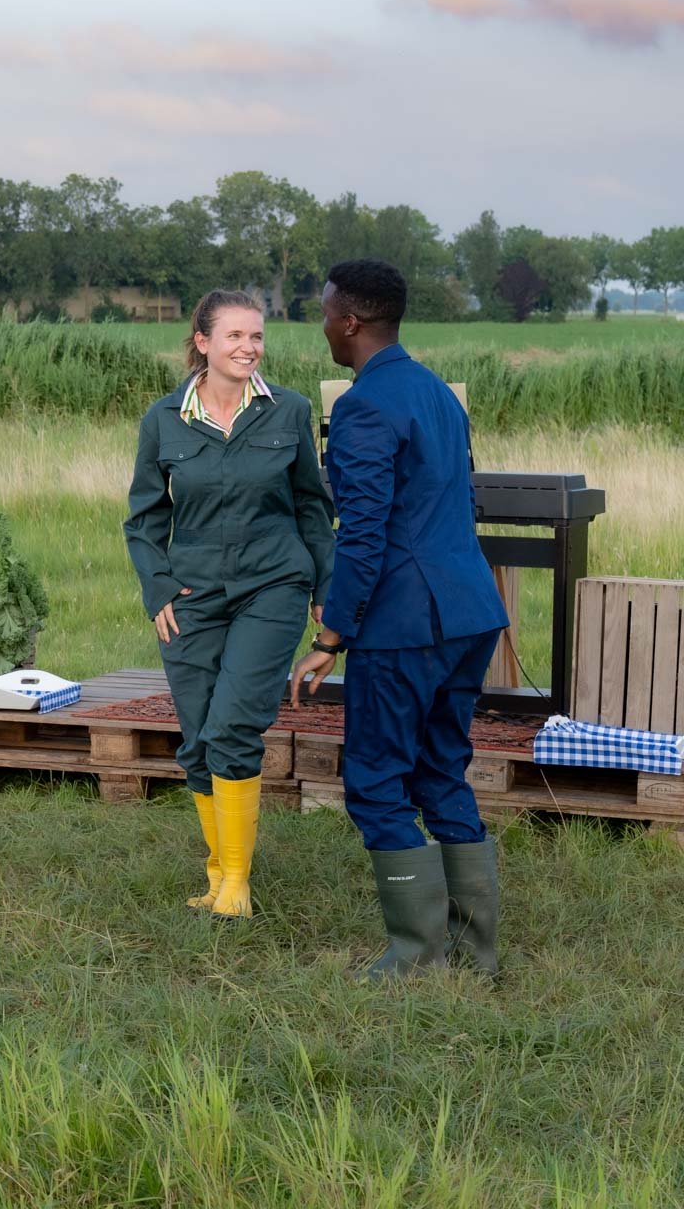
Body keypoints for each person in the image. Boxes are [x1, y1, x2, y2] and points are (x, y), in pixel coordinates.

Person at [291, 259, 509, 980]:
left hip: (405, 623)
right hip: (471, 612)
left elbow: (363, 534)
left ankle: (416, 957)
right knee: (441, 770)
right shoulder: (438, 393)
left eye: (326, 313)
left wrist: (331, 637)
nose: (323, 325)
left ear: (350, 322)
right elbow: (463, 502)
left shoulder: (363, 407)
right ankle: (475, 953)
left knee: (377, 780)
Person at [125, 290, 334, 918]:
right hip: (191, 596)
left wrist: (325, 591)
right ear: (203, 342)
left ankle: (237, 885)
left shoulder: (288, 411)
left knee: (233, 725)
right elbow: (144, 518)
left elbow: (311, 506)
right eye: (235, 336)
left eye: (257, 336)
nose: (249, 348)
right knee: (197, 738)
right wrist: (158, 588)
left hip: (273, 585)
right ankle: (217, 872)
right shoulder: (163, 419)